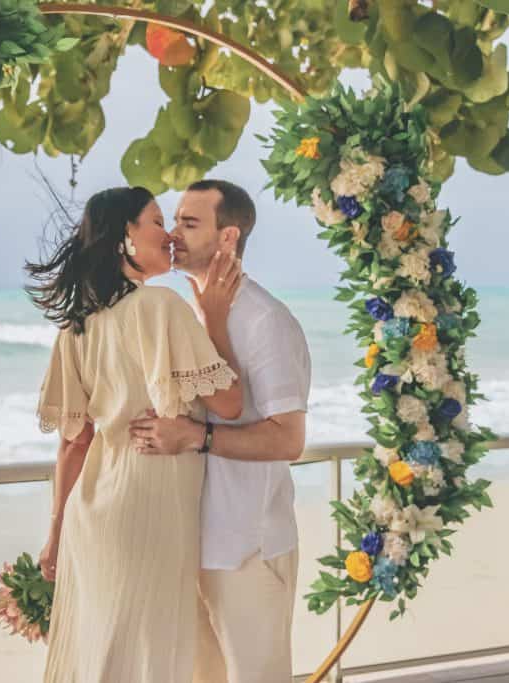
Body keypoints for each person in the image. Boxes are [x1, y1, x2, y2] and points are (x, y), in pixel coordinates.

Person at [28, 186, 245, 683]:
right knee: (150, 656)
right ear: (126, 235)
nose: (168, 233)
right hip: (149, 503)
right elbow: (230, 402)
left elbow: (73, 442)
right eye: (155, 221)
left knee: (106, 653)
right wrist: (214, 319)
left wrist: (56, 534)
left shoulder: (77, 325)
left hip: (93, 512)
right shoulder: (161, 307)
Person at [130, 180, 312, 683]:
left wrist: (197, 437)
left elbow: (288, 440)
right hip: (189, 540)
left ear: (228, 238)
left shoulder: (265, 321)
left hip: (245, 548)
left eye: (190, 223)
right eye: (172, 221)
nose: (173, 234)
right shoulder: (189, 314)